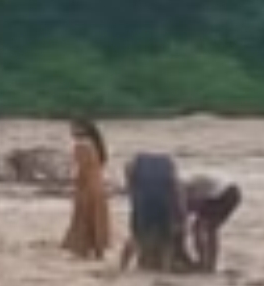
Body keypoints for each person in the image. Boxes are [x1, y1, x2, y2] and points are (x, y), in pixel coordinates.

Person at [117, 151, 193, 273]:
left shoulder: (138, 166)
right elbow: (176, 190)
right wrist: (181, 215)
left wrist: (134, 199)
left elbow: (130, 188)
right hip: (164, 203)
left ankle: (123, 266)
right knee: (166, 239)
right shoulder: (167, 166)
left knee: (137, 236)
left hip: (144, 203)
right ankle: (165, 268)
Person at [60, 117, 113, 260]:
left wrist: (77, 186)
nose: (71, 131)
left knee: (83, 218)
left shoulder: (81, 146)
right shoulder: (95, 145)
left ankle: (82, 250)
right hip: (99, 186)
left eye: (73, 128)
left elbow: (83, 170)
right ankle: (98, 251)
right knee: (96, 218)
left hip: (88, 187)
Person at [182, 170, 242, 273]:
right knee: (210, 229)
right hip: (233, 192)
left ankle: (205, 262)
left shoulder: (186, 188)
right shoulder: (191, 184)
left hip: (222, 194)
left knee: (200, 228)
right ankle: (209, 263)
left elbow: (194, 206)